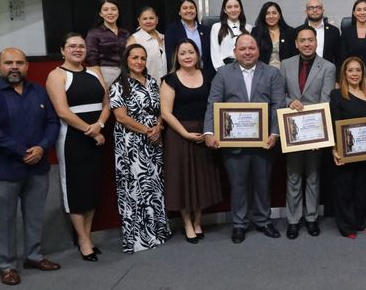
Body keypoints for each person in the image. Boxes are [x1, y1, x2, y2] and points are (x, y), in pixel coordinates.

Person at [0, 48, 62, 285]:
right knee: (4, 221)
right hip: (3, 170)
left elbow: (52, 122)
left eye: (20, 62)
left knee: (34, 215)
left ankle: (33, 256)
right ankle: (6, 266)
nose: (14, 67)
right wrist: (22, 151)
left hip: (37, 167)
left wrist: (42, 147)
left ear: (26, 66)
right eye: (9, 62)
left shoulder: (39, 91)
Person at [203, 34, 284, 243]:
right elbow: (213, 103)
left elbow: (278, 105)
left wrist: (275, 133)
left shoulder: (272, 73)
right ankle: (239, 224)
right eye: (242, 49)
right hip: (233, 142)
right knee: (238, 185)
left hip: (264, 141)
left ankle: (263, 221)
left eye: (251, 48)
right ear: (235, 52)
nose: (247, 52)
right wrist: (209, 132)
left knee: (262, 183)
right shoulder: (223, 73)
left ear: (258, 50)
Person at [45, 33, 109, 261]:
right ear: (63, 50)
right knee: (75, 190)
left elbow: (106, 103)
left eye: (81, 46)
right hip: (73, 139)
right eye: (72, 46)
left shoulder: (95, 72)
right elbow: (63, 111)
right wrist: (90, 130)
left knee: (91, 188)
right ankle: (82, 240)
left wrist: (100, 125)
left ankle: (87, 236)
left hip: (97, 135)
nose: (78, 49)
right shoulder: (56, 75)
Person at [109, 44, 171, 253]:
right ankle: (139, 238)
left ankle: (157, 232)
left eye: (142, 58)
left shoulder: (152, 82)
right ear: (126, 60)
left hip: (154, 140)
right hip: (131, 144)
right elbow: (121, 117)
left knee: (154, 185)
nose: (139, 61)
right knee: (136, 188)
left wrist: (158, 127)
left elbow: (161, 109)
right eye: (134, 57)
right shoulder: (119, 85)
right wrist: (147, 130)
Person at [161, 40, 223, 244]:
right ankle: (187, 223)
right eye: (182, 53)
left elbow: (216, 105)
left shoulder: (209, 75)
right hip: (179, 134)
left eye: (191, 52)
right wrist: (185, 133)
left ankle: (198, 221)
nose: (187, 56)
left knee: (200, 179)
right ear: (176, 57)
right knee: (183, 180)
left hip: (205, 132)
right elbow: (166, 113)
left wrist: (210, 131)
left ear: (197, 55)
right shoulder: (170, 80)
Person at [280, 26, 336, 239]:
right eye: (302, 40)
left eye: (310, 40)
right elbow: (279, 94)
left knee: (313, 176)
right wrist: (289, 102)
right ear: (296, 43)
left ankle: (311, 218)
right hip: (291, 130)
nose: (306, 44)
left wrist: (317, 132)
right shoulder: (285, 65)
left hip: (315, 129)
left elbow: (325, 100)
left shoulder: (328, 67)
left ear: (316, 42)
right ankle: (293, 220)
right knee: (293, 175)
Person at [330, 57, 366, 238]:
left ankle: (359, 222)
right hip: (344, 152)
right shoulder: (337, 95)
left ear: (363, 73)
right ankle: (347, 227)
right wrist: (334, 150)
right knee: (344, 190)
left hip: (364, 152)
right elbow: (334, 123)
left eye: (358, 70)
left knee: (361, 189)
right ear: (344, 73)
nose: (354, 74)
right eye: (350, 70)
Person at [86, 0, 130, 84]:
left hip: (126, 72)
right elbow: (91, 58)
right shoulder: (94, 33)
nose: (110, 13)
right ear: (100, 13)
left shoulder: (125, 33)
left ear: (118, 12)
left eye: (113, 9)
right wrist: (100, 78)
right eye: (106, 10)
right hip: (104, 72)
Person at [165, 0, 212, 71]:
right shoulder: (172, 30)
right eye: (185, 8)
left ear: (196, 11)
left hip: (203, 73)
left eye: (191, 8)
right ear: (179, 12)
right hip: (181, 73)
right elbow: (170, 56)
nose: (189, 10)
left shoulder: (206, 30)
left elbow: (210, 56)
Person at [210, 0, 252, 69]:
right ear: (224, 10)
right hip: (224, 68)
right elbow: (215, 53)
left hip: (245, 68)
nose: (233, 10)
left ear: (241, 9)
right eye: (229, 7)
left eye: (236, 6)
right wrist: (222, 71)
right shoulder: (216, 27)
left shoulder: (248, 28)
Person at [250, 1, 297, 69]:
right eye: (267, 13)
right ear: (263, 16)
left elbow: (295, 56)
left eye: (274, 13)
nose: (271, 16)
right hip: (262, 71)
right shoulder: (256, 32)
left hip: (286, 71)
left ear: (279, 15)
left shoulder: (290, 32)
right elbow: (251, 54)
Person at [127, 6, 166, 83]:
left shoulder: (164, 37)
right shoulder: (134, 39)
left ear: (157, 20)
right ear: (139, 21)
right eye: (145, 19)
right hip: (144, 84)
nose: (148, 21)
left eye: (151, 18)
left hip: (166, 85)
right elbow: (128, 65)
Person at [297, 0, 340, 67]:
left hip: (327, 71)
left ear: (323, 10)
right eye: (311, 8)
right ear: (306, 12)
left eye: (318, 7)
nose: (315, 10)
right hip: (303, 71)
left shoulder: (334, 31)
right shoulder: (298, 31)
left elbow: (338, 57)